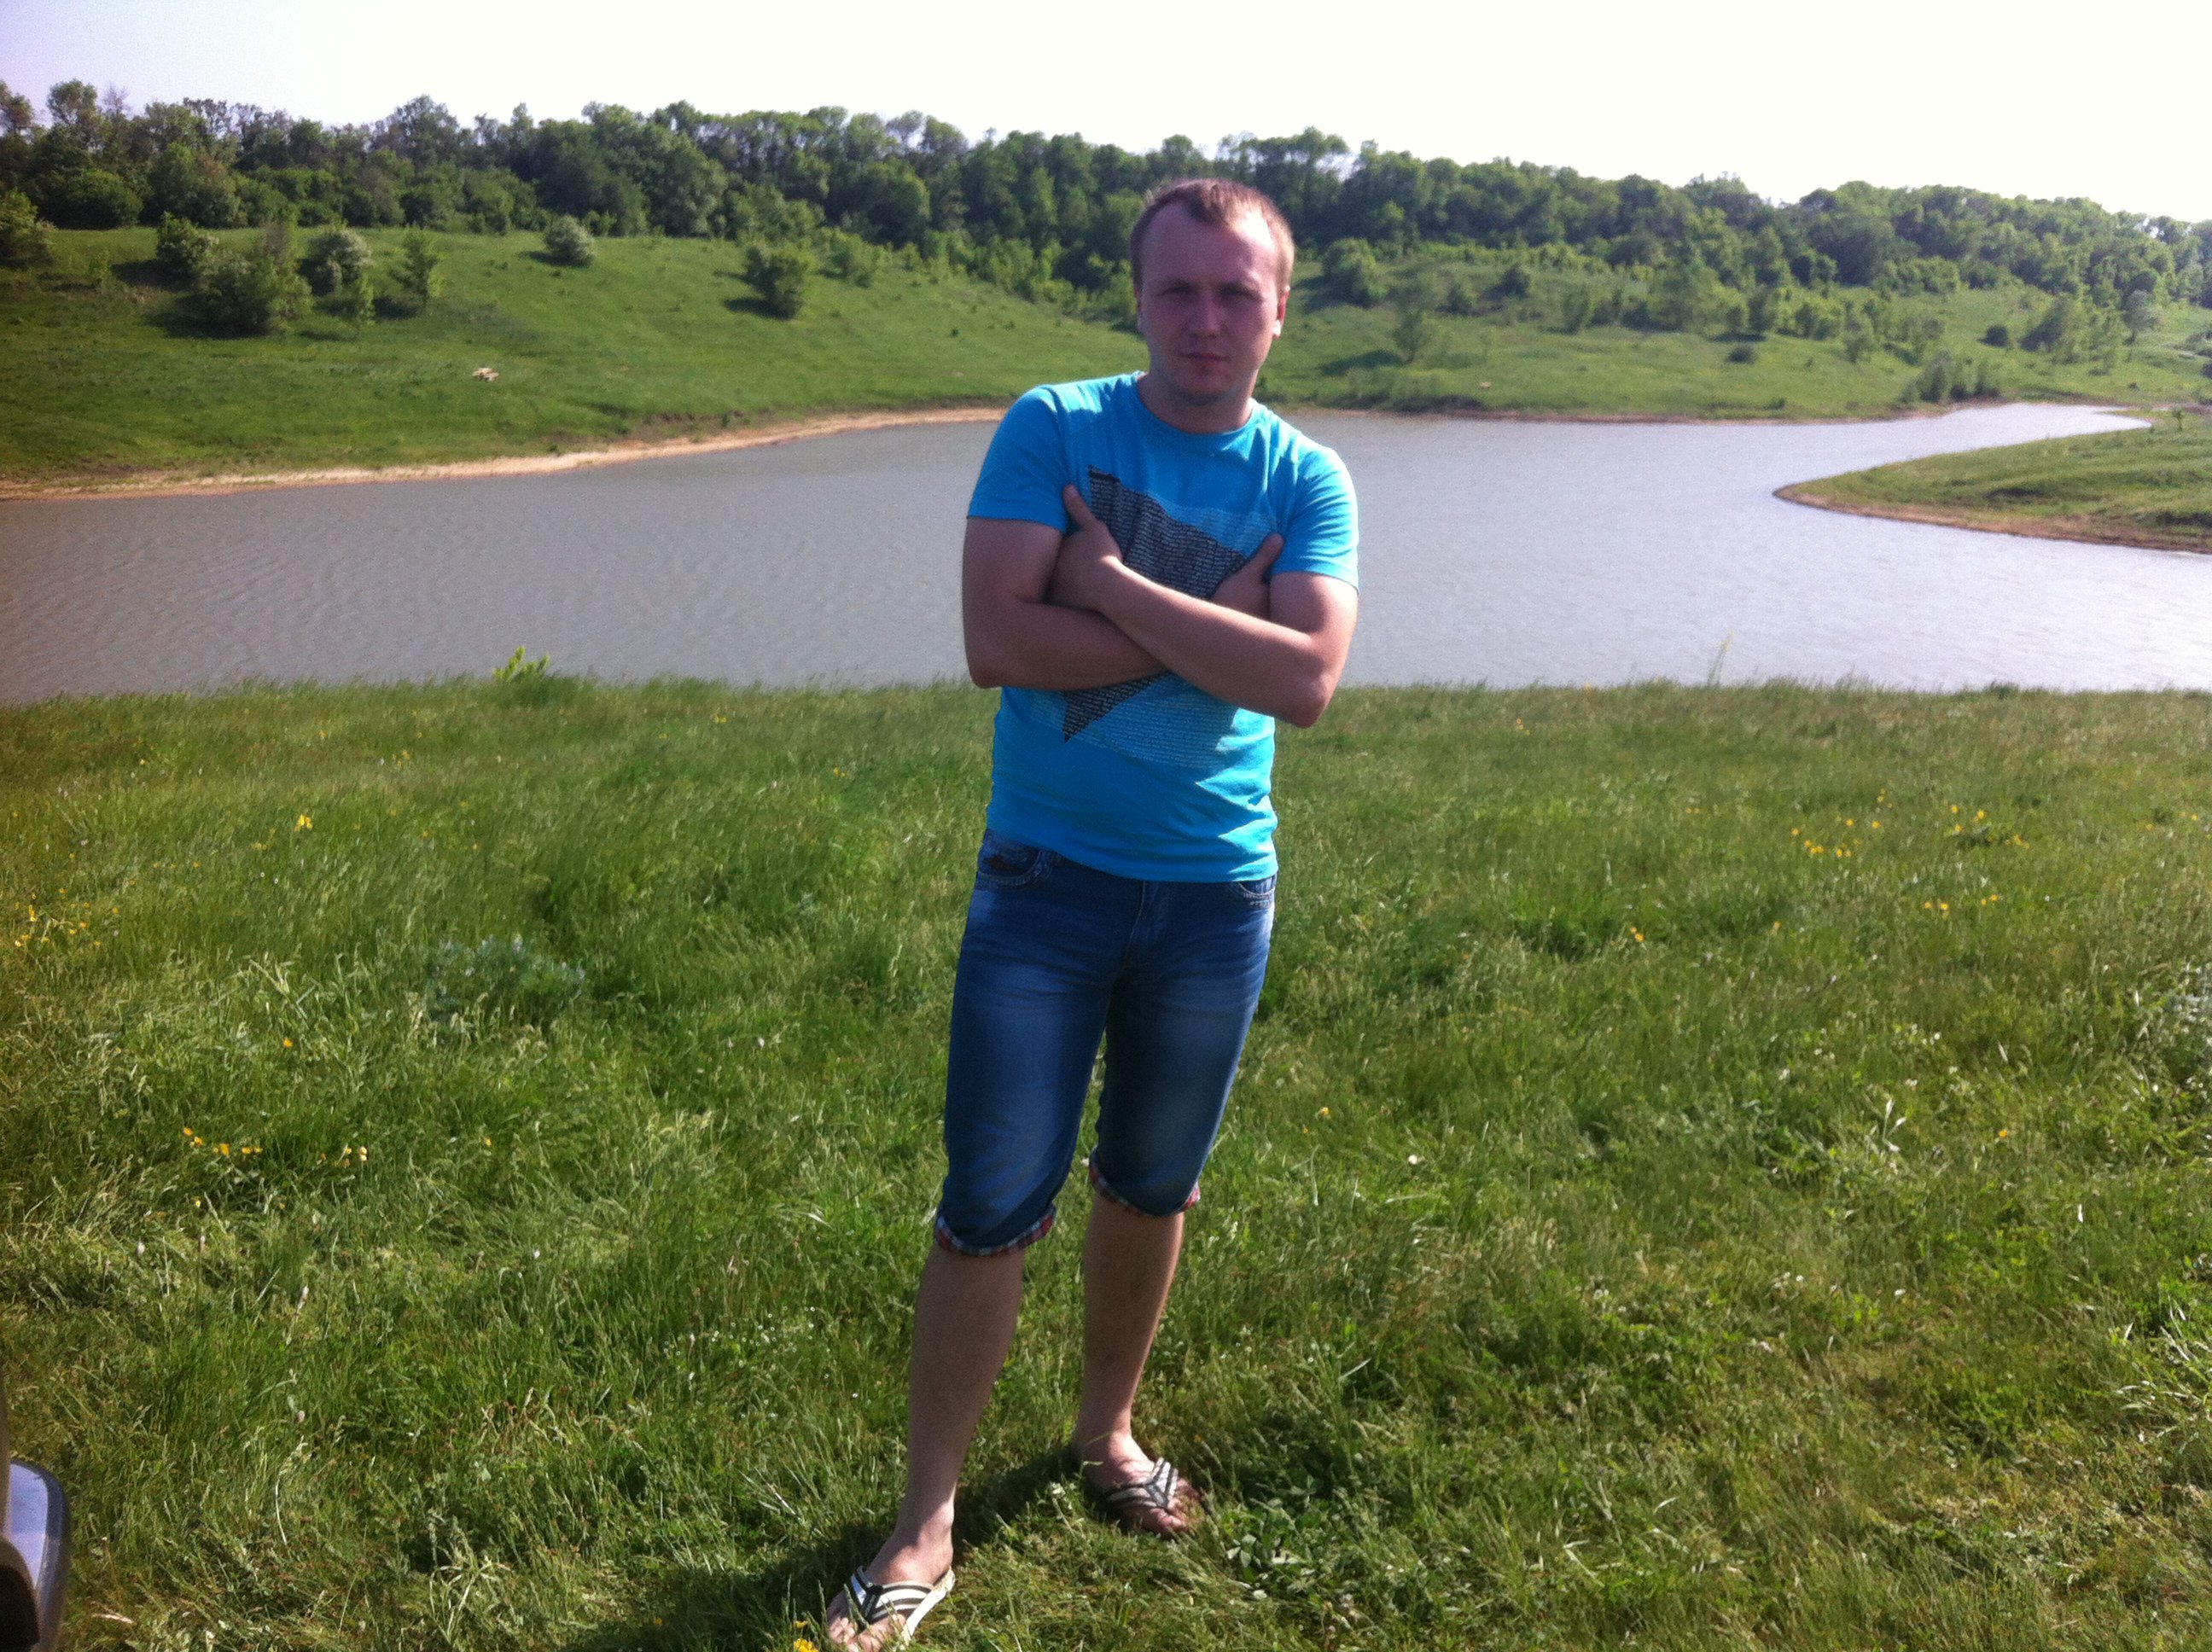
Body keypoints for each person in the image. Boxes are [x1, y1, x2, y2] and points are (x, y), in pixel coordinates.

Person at [826, 177, 1359, 1649]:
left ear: (1280, 310)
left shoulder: (1308, 478)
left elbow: (1305, 682)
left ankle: (1105, 1433)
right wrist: (1221, 620)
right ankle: (926, 1517)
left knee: (1152, 1185)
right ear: (1138, 298)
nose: (1206, 319)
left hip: (1215, 896)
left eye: (1236, 293)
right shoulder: (1053, 428)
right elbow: (997, 638)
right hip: (1045, 888)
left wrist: (1109, 583)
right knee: (991, 1199)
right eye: (1178, 289)